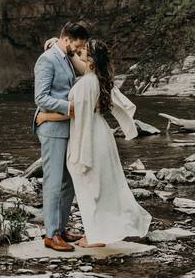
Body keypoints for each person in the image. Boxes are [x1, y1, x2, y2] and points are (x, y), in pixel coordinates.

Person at [36, 38, 152, 247]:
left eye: (83, 51)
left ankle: (94, 236)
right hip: (101, 134)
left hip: (90, 136)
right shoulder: (98, 78)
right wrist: (63, 48)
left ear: (90, 61)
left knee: (89, 188)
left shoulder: (86, 84)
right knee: (101, 186)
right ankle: (98, 231)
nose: (78, 51)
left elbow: (76, 112)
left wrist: (46, 118)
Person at [33, 21, 89, 252]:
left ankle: (61, 228)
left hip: (67, 129)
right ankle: (51, 235)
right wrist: (71, 107)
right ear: (66, 39)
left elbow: (85, 71)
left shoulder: (65, 56)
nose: (78, 50)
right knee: (54, 182)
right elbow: (41, 98)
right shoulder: (46, 59)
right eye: (77, 45)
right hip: (53, 131)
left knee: (68, 182)